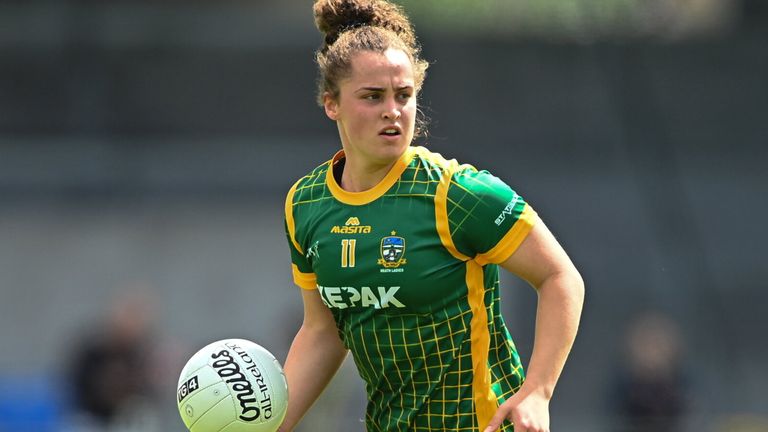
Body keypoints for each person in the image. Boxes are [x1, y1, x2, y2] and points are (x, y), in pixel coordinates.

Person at [280, 1, 585, 431]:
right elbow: (323, 331)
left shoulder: (455, 193)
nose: (393, 110)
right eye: (372, 97)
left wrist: (538, 390)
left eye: (404, 95)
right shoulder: (306, 204)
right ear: (332, 104)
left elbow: (560, 278)